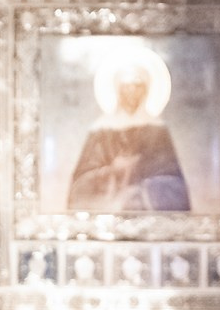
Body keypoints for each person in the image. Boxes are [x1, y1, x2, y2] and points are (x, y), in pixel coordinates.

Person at [66, 52, 192, 214]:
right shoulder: (101, 130)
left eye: (138, 86)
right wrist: (113, 170)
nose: (132, 92)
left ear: (146, 90)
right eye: (126, 86)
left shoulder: (158, 130)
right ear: (117, 89)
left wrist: (141, 189)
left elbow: (175, 185)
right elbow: (79, 185)